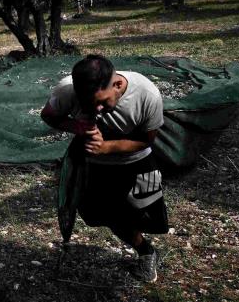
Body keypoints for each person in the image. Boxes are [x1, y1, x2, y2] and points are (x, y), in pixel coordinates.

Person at [41, 55, 168, 283]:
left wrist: (106, 147)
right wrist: (76, 125)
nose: (96, 109)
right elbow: (49, 115)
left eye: (102, 102)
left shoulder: (147, 94)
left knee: (141, 215)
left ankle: (146, 253)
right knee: (100, 214)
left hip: (136, 163)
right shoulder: (67, 89)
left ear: (117, 85)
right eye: (88, 103)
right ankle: (145, 249)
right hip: (92, 167)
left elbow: (147, 140)